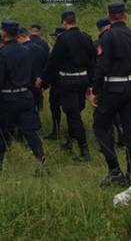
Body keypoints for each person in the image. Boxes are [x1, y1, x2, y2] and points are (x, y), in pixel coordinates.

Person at [91, 2, 131, 187]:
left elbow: (102, 67)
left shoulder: (107, 37)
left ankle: (114, 171)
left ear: (108, 16)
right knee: (129, 130)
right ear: (126, 15)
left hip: (112, 88)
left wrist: (95, 91)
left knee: (100, 126)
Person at [0, 20, 45, 175]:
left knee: (0, 133)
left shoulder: (0, 53)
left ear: (4, 33)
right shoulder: (27, 51)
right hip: (25, 96)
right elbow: (32, 75)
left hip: (6, 99)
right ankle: (41, 163)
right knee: (30, 132)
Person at [40, 11, 96, 161]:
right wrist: (91, 83)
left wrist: (44, 80)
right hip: (83, 79)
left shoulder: (63, 39)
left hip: (68, 81)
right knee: (76, 111)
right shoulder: (86, 37)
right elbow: (92, 61)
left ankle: (84, 151)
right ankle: (70, 142)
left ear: (64, 22)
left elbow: (53, 62)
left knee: (73, 116)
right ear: (75, 20)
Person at [96, 17, 124, 148]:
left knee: (106, 115)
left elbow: (100, 67)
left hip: (108, 83)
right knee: (119, 113)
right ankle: (122, 136)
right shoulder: (125, 37)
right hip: (127, 82)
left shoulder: (101, 41)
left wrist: (95, 88)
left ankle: (108, 143)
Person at [17, 28, 48, 112]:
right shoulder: (40, 49)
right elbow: (46, 66)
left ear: (21, 36)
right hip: (38, 85)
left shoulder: (21, 51)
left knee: (27, 113)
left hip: (25, 87)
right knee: (39, 111)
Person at [44, 27, 66, 141]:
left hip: (58, 83)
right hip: (68, 82)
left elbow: (51, 66)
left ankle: (56, 130)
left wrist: (45, 82)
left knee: (55, 107)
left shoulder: (57, 49)